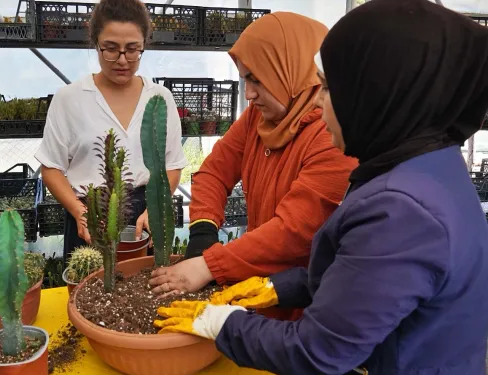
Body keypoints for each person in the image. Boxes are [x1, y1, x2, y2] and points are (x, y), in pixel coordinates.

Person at [153, 1, 488, 374]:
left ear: (375, 94)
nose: (318, 100)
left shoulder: (402, 211)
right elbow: (360, 276)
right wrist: (278, 286)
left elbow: (317, 351)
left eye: (328, 88)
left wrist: (218, 323)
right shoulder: (428, 164)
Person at [149, 12, 358, 321]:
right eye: (245, 78)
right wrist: (203, 232)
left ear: (291, 70)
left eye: (257, 79)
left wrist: (210, 265)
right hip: (258, 290)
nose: (248, 93)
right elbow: (214, 172)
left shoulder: (332, 135)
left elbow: (293, 232)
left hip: (306, 307)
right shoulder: (258, 119)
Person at [35, 0, 187, 267]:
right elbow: (51, 167)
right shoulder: (70, 98)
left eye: (132, 50)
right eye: (111, 49)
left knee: (143, 296)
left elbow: (172, 166)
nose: (122, 60)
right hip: (90, 214)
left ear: (143, 45)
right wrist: (82, 214)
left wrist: (154, 209)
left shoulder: (159, 99)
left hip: (144, 213)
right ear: (96, 43)